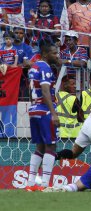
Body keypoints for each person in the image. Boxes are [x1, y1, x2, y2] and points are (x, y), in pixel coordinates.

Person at [26, 43, 61, 191]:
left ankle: (30, 183)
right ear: (45, 54)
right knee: (51, 145)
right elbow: (46, 91)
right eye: (54, 53)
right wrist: (53, 113)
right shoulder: (45, 67)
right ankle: (45, 184)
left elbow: (31, 89)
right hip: (44, 110)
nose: (56, 56)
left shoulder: (34, 67)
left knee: (39, 146)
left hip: (34, 109)